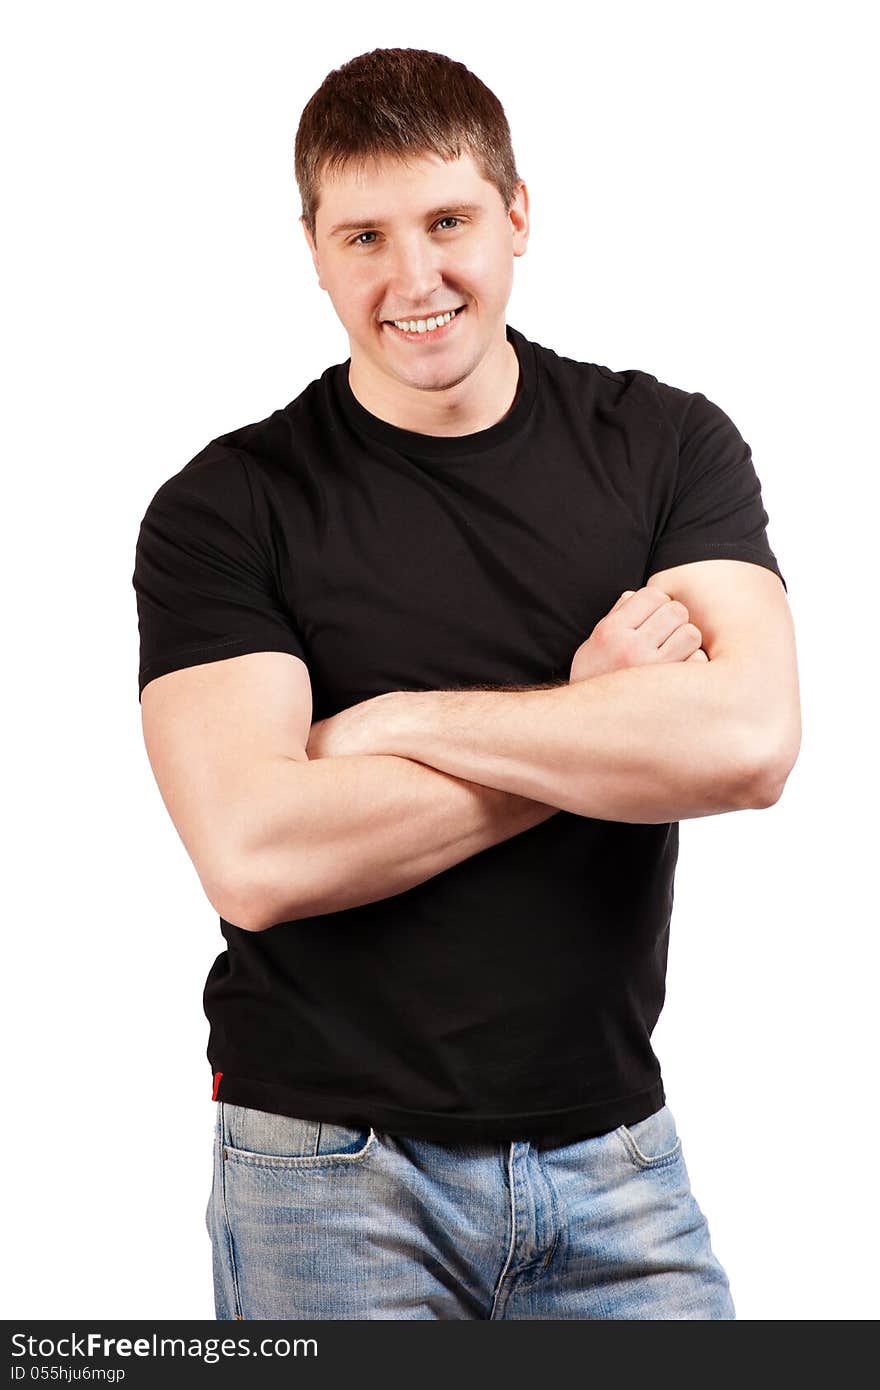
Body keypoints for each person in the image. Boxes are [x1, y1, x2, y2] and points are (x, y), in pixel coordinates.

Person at [131, 47, 800, 1320]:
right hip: (328, 1168)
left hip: (616, 1151)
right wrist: (598, 718)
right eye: (364, 235)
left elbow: (750, 745)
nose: (413, 277)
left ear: (518, 215)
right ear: (316, 253)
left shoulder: (663, 447)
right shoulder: (228, 508)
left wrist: (399, 724)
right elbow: (258, 855)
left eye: (448, 221)